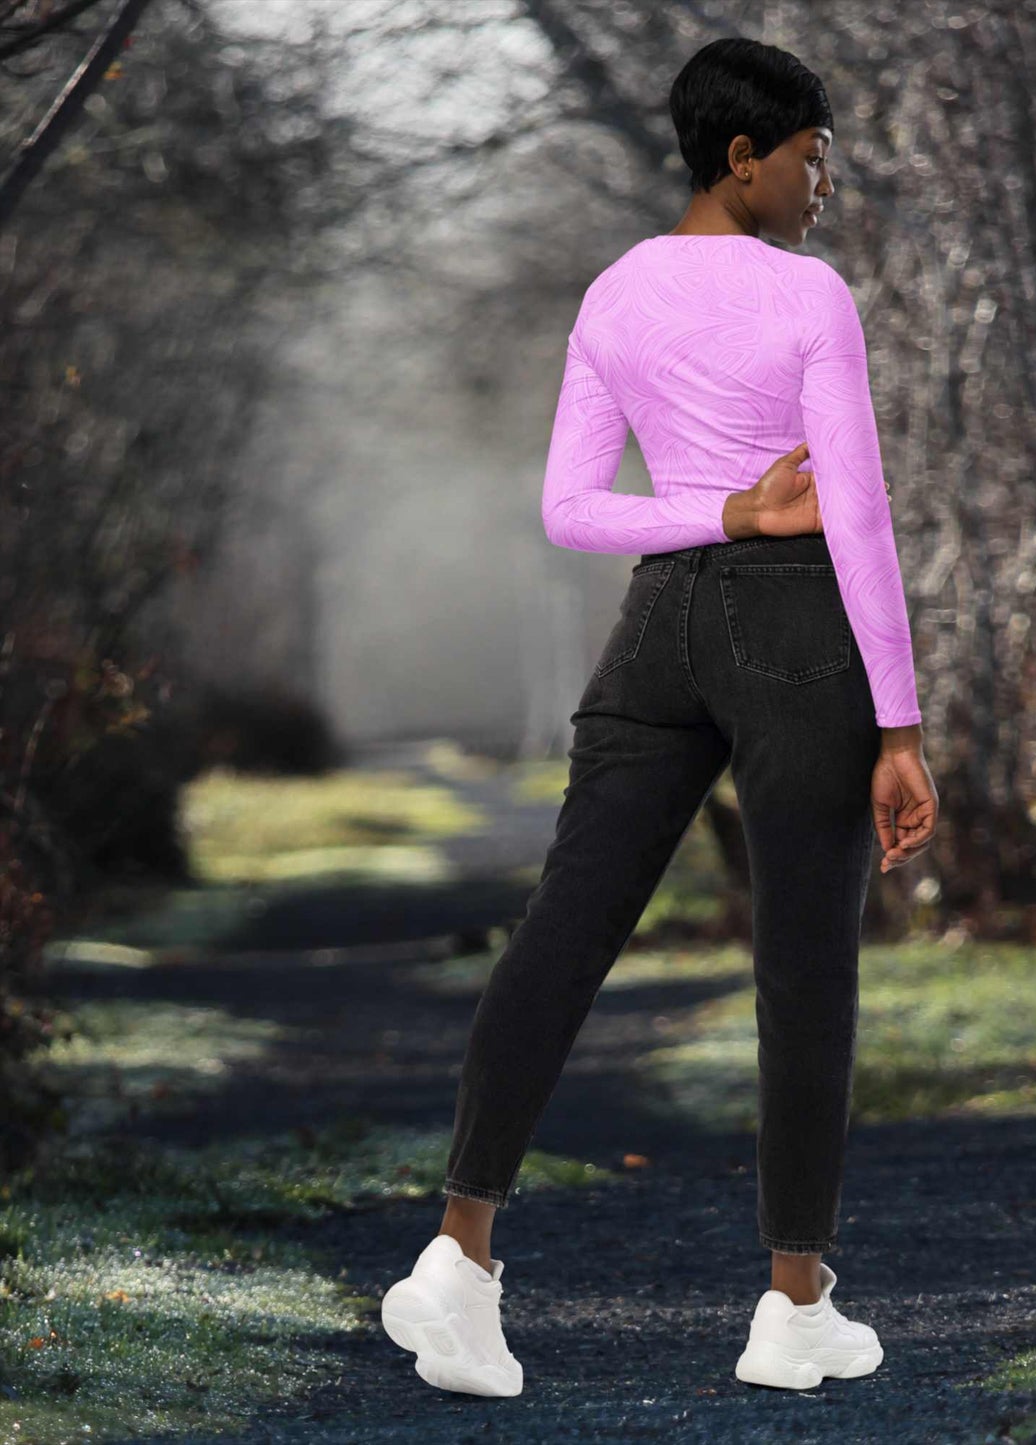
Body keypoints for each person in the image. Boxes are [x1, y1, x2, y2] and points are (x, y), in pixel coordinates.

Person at [382, 35, 938, 1398]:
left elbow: (572, 508)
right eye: (810, 158)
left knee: (563, 932)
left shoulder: (614, 293)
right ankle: (793, 1305)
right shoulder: (811, 297)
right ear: (742, 157)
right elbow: (852, 515)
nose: (822, 187)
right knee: (806, 961)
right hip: (795, 628)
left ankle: (455, 1265)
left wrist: (711, 509)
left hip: (658, 625)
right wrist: (902, 723)